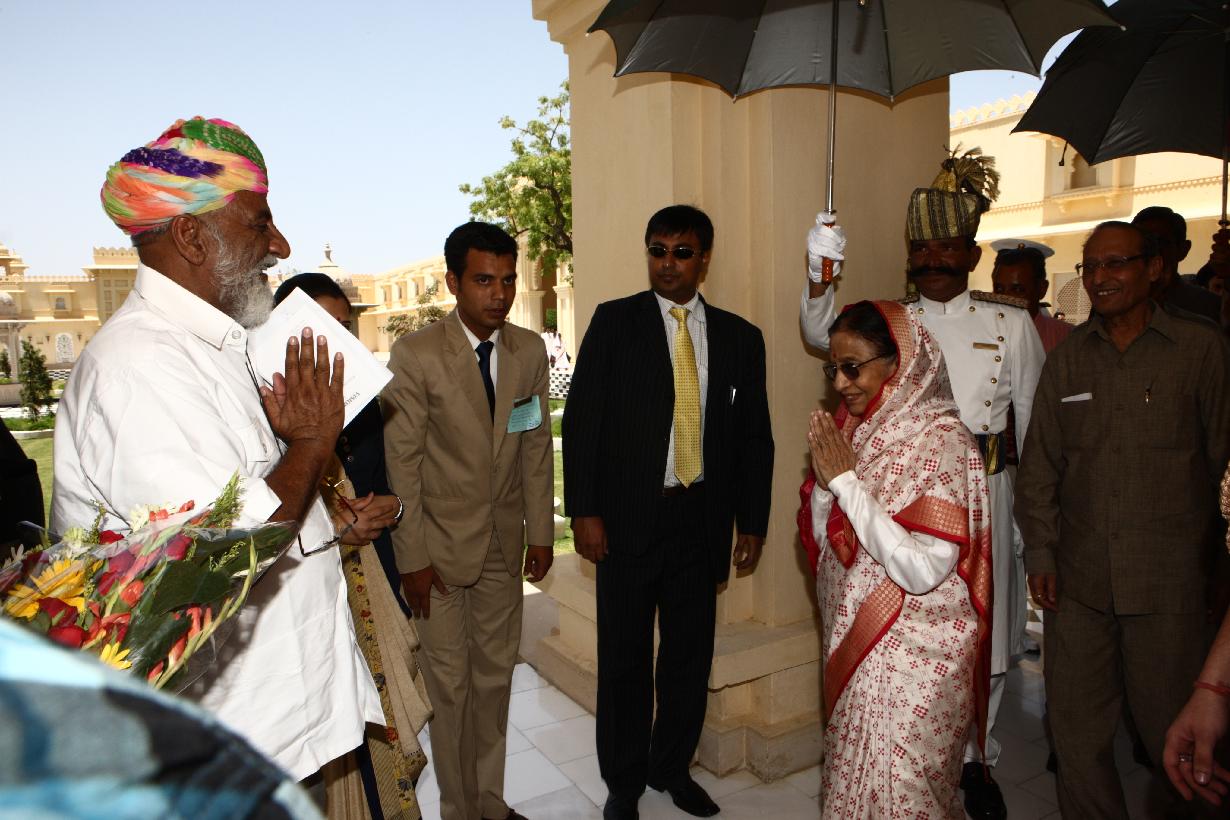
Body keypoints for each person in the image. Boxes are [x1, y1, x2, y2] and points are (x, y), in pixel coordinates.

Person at [52, 117, 383, 785]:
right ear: (191, 236)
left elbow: (247, 497)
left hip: (270, 729)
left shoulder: (214, 346)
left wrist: (293, 447)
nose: (279, 245)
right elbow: (220, 557)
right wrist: (312, 441)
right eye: (260, 223)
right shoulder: (140, 366)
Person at [801, 149, 1044, 820]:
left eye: (948, 246)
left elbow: (1034, 429)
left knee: (985, 643)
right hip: (887, 504)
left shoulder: (1010, 324)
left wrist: (1032, 530)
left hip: (981, 488)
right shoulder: (893, 324)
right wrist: (821, 271)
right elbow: (823, 332)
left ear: (971, 254)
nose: (934, 259)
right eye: (923, 248)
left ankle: (976, 758)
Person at [562, 205, 774, 820]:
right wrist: (585, 512)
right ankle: (624, 782)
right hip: (627, 519)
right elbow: (583, 422)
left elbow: (754, 438)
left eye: (682, 252)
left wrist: (752, 521)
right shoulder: (615, 322)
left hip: (700, 521)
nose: (667, 263)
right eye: (657, 250)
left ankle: (672, 768)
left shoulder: (740, 338)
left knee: (688, 656)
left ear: (704, 258)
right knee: (624, 659)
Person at [1016, 221, 1230, 818]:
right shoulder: (1067, 361)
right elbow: (1039, 469)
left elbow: (1223, 468)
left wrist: (1218, 571)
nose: (1101, 278)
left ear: (1154, 269)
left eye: (1116, 263)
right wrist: (1041, 554)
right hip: (1077, 587)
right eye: (1092, 267)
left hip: (1169, 590)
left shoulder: (1201, 350)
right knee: (1075, 736)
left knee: (1175, 737)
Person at [382, 220, 554, 820]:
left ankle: (490, 802)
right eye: (484, 281)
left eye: (507, 281)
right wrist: (412, 559)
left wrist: (539, 532)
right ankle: (459, 810)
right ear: (453, 282)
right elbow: (403, 467)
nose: (499, 295)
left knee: (494, 682)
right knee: (450, 689)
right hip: (436, 554)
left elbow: (534, 445)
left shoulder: (528, 351)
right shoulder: (417, 355)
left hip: (504, 549)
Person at [799, 300, 992, 818]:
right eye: (833, 369)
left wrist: (846, 484)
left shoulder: (944, 442)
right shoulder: (857, 430)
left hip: (918, 661)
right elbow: (829, 543)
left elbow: (922, 571)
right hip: (857, 645)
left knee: (906, 795)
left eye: (852, 367)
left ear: (899, 361)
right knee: (851, 782)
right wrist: (826, 488)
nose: (841, 383)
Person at [273, 273, 430, 819]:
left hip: (374, 588)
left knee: (385, 736)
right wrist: (333, 526)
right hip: (309, 607)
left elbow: (390, 490)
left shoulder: (364, 406)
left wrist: (392, 509)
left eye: (344, 327)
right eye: (322, 328)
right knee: (333, 751)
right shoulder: (263, 413)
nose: (337, 341)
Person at [1133, 206, 1222, 324]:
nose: (1151, 250)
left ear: (1183, 249)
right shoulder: (1119, 302)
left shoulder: (1209, 307)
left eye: (1160, 242)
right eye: (1143, 243)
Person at [989, 239, 1072, 353]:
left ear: (1042, 289)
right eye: (999, 289)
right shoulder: (980, 332)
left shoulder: (1067, 339)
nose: (1005, 298)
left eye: (1018, 290)